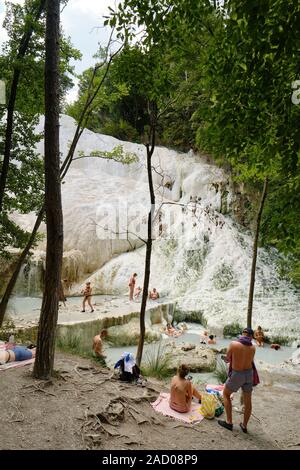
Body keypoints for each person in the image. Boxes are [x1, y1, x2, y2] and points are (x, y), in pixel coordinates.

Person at [218, 327, 258, 434]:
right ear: (251, 336)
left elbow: (227, 358)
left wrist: (227, 360)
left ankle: (229, 422)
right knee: (248, 401)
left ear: (242, 334)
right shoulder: (253, 348)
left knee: (226, 394)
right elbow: (249, 360)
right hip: (249, 374)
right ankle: (244, 426)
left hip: (237, 374)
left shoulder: (234, 344)